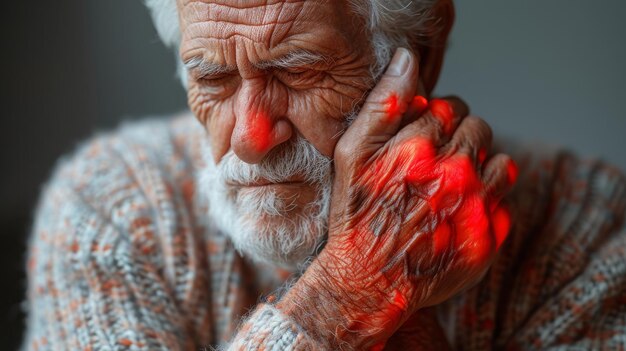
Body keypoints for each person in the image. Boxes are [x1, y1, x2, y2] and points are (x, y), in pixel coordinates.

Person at [21, 0, 626, 350]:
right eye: (213, 80)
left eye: (298, 72)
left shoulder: (589, 228)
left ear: (418, 56)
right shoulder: (106, 208)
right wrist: (347, 295)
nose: (251, 139)